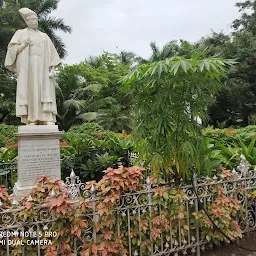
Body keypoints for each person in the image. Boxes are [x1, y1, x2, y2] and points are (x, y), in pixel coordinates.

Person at [5, 8, 61, 125]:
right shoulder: (20, 34)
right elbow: (12, 51)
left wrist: (52, 70)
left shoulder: (44, 36)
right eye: (32, 20)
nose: (35, 22)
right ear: (27, 21)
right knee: (31, 91)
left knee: (44, 91)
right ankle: (32, 119)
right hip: (27, 68)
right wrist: (24, 44)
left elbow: (53, 55)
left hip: (43, 67)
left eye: (36, 19)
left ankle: (46, 118)